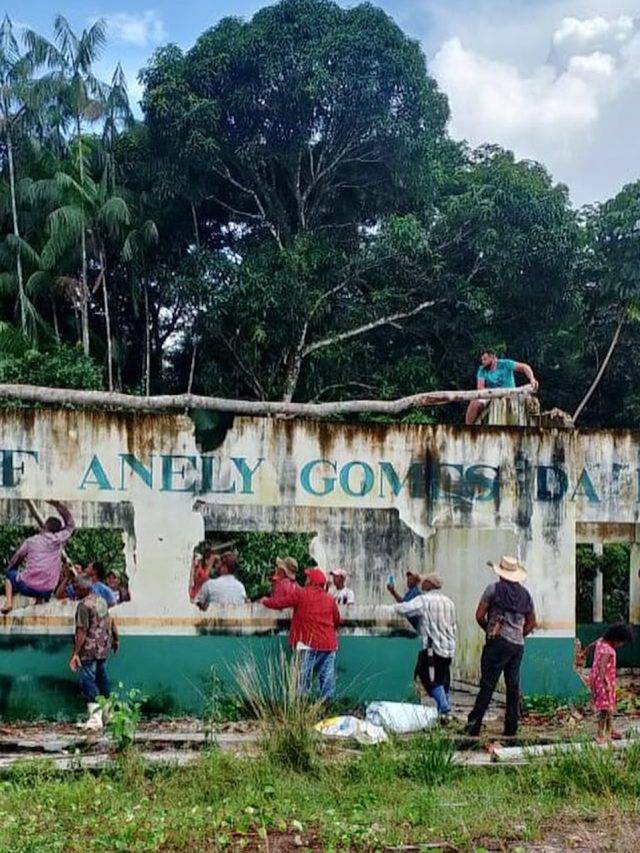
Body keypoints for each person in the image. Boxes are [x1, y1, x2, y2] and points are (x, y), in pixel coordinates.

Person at [464, 556, 536, 737]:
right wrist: (519, 634)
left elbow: (479, 615)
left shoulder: (493, 589)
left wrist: (489, 630)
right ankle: (511, 727)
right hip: (517, 645)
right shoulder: (526, 595)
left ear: (501, 573)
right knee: (513, 686)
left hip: (498, 643)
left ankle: (473, 726)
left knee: (488, 684)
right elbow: (531, 622)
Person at [261, 567, 341, 699]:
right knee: (327, 682)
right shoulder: (329, 599)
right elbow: (337, 620)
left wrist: (265, 601)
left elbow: (280, 603)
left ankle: (301, 707)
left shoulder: (301, 594)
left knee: (302, 682)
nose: (306, 579)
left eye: (308, 577)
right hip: (328, 645)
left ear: (311, 581)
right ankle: (327, 707)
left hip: (307, 643)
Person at [393, 573, 456, 718]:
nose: (422, 583)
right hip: (449, 647)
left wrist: (390, 608)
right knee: (442, 679)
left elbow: (405, 609)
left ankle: (444, 706)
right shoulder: (449, 602)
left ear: (429, 584)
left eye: (425, 581)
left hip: (432, 648)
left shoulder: (424, 600)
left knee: (428, 678)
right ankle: (444, 711)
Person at [2, 500, 75, 614]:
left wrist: (13, 568)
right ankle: (39, 601)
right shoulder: (58, 539)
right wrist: (58, 505)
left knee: (9, 574)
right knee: (39, 576)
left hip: (29, 588)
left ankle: (9, 603)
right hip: (48, 590)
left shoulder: (31, 541)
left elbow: (16, 558)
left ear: (44, 527)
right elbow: (70, 525)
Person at [69, 575, 119, 731]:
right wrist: (115, 639)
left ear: (83, 588)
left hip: (89, 649)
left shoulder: (83, 606)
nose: (74, 591)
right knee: (102, 679)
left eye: (76, 588)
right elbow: (110, 622)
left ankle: (95, 718)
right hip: (103, 647)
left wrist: (75, 653)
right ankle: (108, 715)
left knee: (88, 680)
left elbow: (82, 630)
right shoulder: (101, 601)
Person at [586, 623, 634, 743]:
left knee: (610, 707)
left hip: (601, 681)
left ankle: (610, 730)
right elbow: (602, 667)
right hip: (604, 683)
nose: (621, 645)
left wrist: (585, 650)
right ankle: (600, 735)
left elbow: (593, 644)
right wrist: (605, 683)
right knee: (604, 710)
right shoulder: (608, 651)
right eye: (622, 642)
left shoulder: (601, 642)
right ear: (616, 638)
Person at [465, 349, 539, 425]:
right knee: (474, 403)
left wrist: (532, 379)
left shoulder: (505, 364)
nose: (483, 362)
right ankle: (467, 428)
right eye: (482, 360)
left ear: (492, 357)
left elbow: (525, 367)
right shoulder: (482, 369)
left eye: (485, 359)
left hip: (510, 394)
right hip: (490, 395)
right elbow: (480, 388)